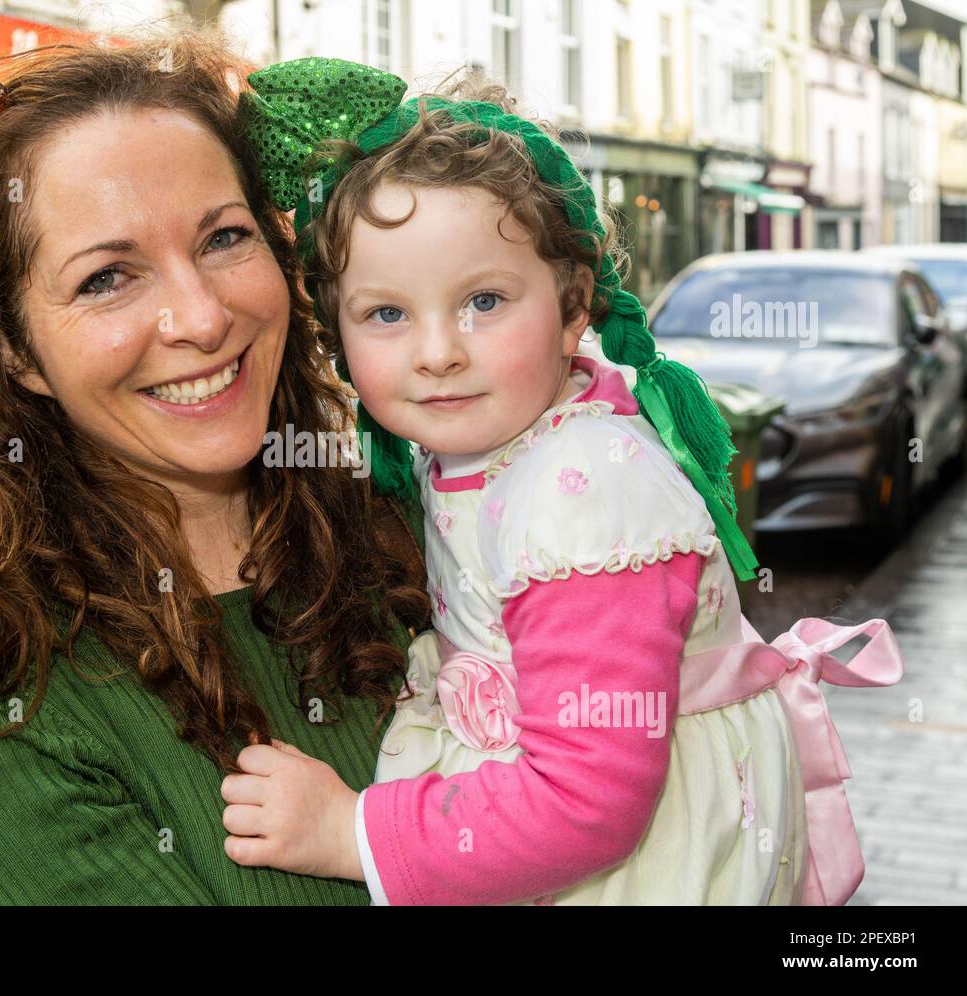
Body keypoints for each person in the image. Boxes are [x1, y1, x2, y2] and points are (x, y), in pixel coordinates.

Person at [220, 57, 905, 905]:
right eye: (387, 314)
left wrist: (349, 832)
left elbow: (587, 805)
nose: (438, 351)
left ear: (576, 305)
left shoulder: (582, 492)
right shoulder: (488, 442)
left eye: (484, 301)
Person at [0, 36, 432, 905]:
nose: (202, 317)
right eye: (106, 278)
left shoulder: (431, 531)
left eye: (223, 238)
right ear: (16, 349)